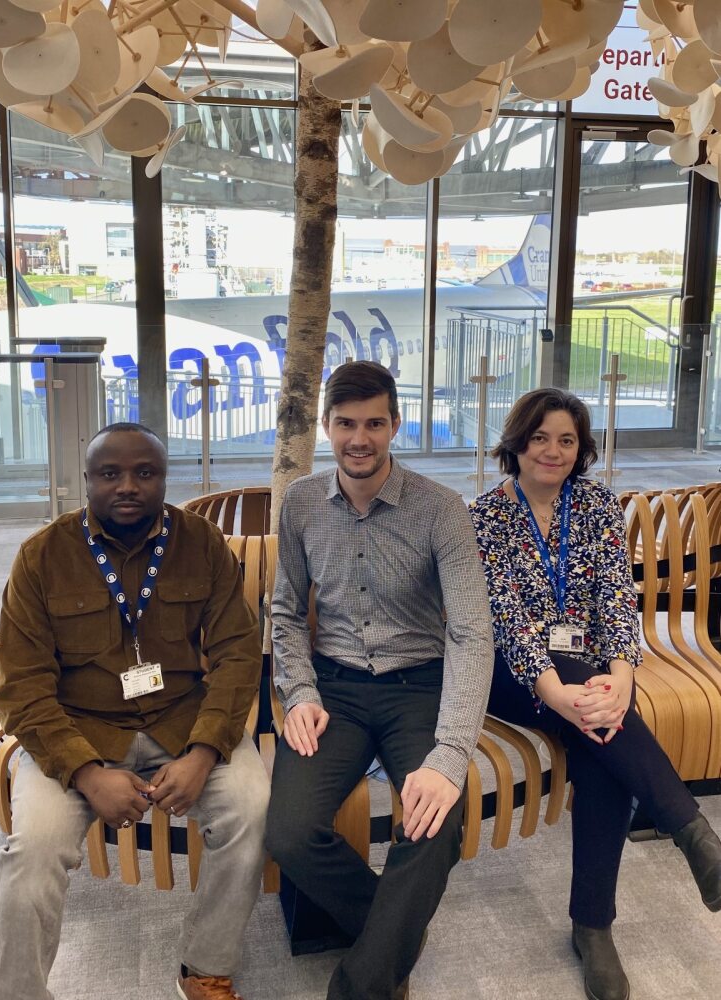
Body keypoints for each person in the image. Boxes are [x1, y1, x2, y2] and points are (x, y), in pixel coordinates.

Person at [0, 423, 269, 1000]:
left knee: (251, 806)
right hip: (76, 731)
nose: (128, 486)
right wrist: (86, 774)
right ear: (86, 480)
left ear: (165, 478)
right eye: (110, 473)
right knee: (32, 849)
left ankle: (205, 968)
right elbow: (20, 686)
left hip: (183, 721)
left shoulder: (201, 543)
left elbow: (239, 654)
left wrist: (204, 752)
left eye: (145, 472)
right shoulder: (42, 556)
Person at [469, 388, 721, 1000]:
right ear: (516, 442)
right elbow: (509, 620)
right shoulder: (485, 516)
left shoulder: (597, 504)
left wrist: (623, 676)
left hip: (587, 666)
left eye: (567, 440)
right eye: (540, 437)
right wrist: (563, 694)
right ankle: (689, 834)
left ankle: (594, 927)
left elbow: (615, 598)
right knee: (597, 715)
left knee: (601, 739)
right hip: (512, 673)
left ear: (581, 449)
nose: (552, 451)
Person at [266, 361, 494, 1000]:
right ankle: (391, 933)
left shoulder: (441, 509)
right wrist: (301, 692)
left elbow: (473, 634)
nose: (359, 438)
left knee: (435, 818)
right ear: (326, 427)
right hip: (333, 688)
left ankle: (360, 984)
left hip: (417, 686)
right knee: (287, 830)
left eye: (374, 423)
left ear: (395, 424)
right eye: (345, 424)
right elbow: (284, 612)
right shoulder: (303, 504)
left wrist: (449, 756)